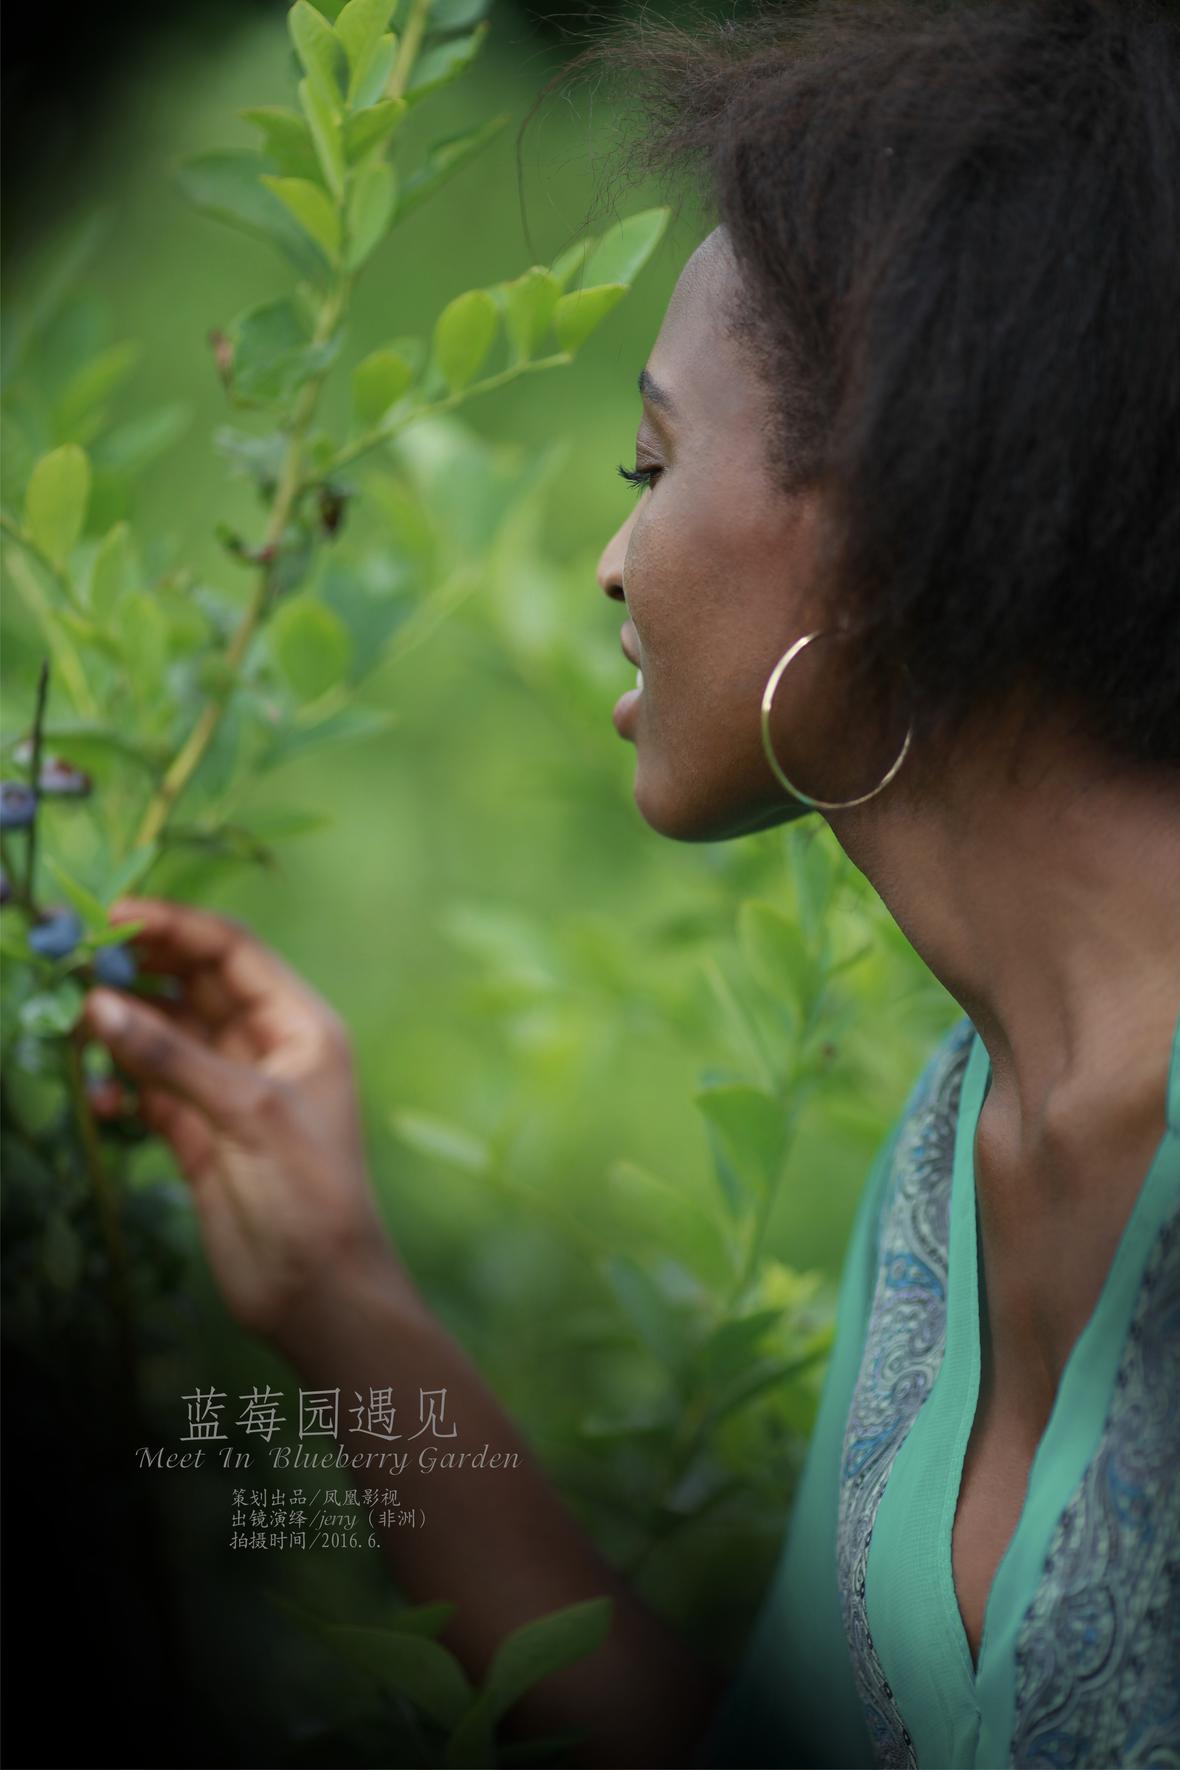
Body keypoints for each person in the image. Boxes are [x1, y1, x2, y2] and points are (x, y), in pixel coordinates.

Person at [78, 0, 1180, 1764]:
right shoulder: (956, 1148)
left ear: (891, 502)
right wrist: (337, 1285)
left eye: (650, 465)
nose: (613, 559)